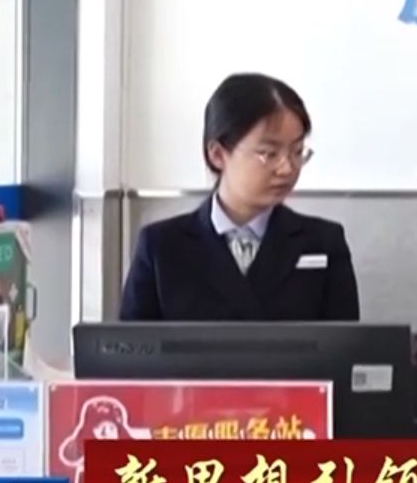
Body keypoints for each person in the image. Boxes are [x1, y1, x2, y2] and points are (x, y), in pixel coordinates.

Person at [120, 73, 360, 322]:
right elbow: (133, 343)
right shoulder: (161, 246)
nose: (287, 168)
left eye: (297, 152)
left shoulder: (323, 241)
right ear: (217, 154)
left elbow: (344, 342)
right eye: (269, 153)